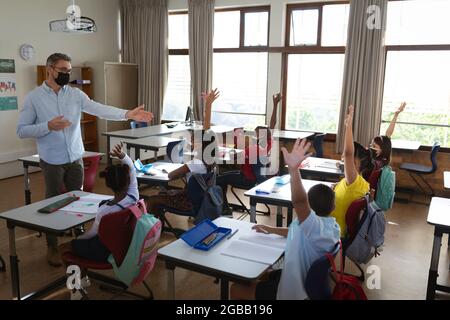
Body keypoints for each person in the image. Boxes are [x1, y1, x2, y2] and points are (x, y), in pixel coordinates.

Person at [16, 53, 153, 267]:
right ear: (49, 69)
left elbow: (99, 109)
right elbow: (22, 130)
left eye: (69, 71)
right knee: (52, 203)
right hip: (52, 159)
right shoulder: (34, 97)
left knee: (78, 200)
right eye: (63, 70)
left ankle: (79, 240)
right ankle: (52, 246)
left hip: (75, 156)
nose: (67, 74)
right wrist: (47, 126)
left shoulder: (75, 94)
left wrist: (127, 114)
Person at [229, 139, 340, 300]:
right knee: (264, 274)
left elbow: (300, 202)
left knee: (236, 289)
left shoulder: (313, 226)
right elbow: (297, 230)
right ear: (333, 208)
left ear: (308, 209)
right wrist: (271, 229)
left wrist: (294, 170)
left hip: (293, 292)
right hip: (302, 281)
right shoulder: (331, 227)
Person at [59, 143, 137, 263]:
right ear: (129, 181)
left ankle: (79, 278)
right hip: (126, 245)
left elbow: (92, 234)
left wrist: (78, 239)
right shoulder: (133, 197)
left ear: (108, 184)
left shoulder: (105, 210)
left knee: (65, 247)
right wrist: (123, 156)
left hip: (104, 251)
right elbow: (131, 167)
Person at [145, 89, 219, 216]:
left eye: (194, 139)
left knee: (153, 199)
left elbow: (170, 176)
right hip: (200, 200)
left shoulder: (195, 163)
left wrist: (177, 171)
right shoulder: (210, 161)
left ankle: (154, 229)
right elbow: (207, 131)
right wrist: (208, 104)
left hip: (189, 203)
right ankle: (159, 226)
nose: (191, 140)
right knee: (164, 194)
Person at [217, 93, 282, 215]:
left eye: (256, 133)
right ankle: (224, 207)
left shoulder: (254, 148)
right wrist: (275, 104)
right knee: (222, 176)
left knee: (218, 179)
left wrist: (228, 152)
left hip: (247, 179)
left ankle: (224, 209)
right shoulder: (269, 142)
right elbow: (272, 124)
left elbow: (235, 158)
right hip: (257, 178)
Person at [331, 105, 373, 237]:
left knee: (299, 226)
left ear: (356, 162)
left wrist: (348, 126)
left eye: (346, 156)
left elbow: (349, 153)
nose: (343, 157)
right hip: (333, 226)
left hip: (334, 230)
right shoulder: (360, 183)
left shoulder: (353, 180)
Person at [369, 102, 406, 170]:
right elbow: (388, 133)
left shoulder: (378, 163)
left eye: (374, 146)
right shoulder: (377, 158)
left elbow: (388, 133)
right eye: (371, 145)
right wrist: (395, 115)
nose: (371, 147)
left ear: (382, 149)